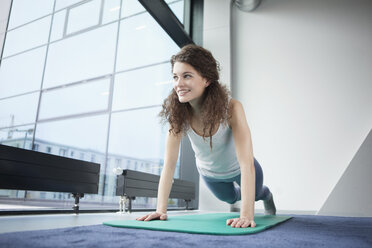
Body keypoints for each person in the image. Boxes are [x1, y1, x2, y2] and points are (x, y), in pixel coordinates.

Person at [136, 44, 276, 228]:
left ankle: (266, 195)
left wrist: (246, 215)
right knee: (230, 198)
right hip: (211, 174)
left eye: (187, 76)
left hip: (241, 168)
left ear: (206, 79)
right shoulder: (178, 115)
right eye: (175, 77)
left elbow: (246, 163)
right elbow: (169, 164)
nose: (179, 84)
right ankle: (246, 195)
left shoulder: (232, 108)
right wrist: (161, 210)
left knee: (255, 194)